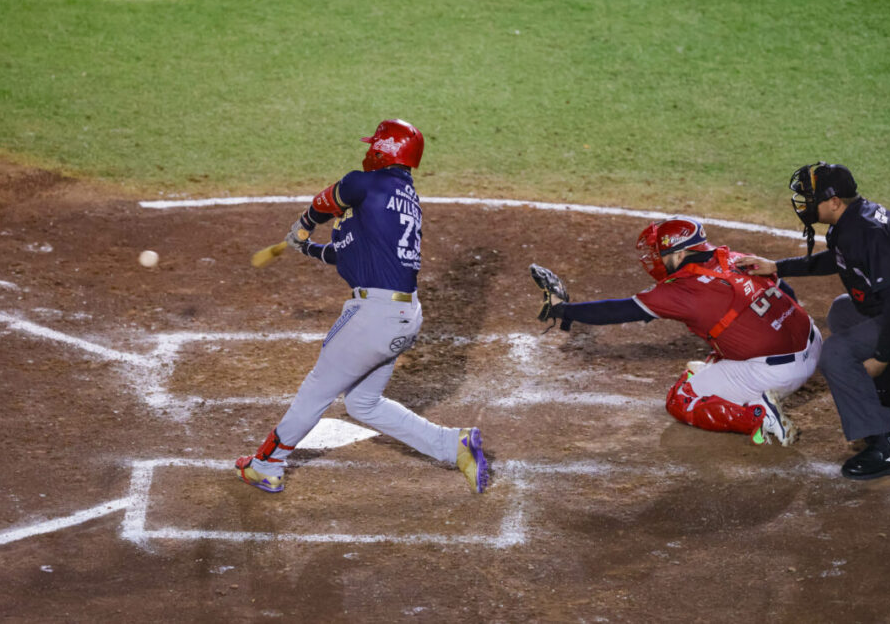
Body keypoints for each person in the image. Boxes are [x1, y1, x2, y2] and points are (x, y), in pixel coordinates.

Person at [235, 119, 489, 494]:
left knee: (318, 387)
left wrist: (305, 225)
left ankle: (266, 464)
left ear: (382, 150)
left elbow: (326, 200)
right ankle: (452, 445)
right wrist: (309, 249)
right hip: (402, 316)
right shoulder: (403, 198)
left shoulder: (363, 183)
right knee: (363, 403)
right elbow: (350, 254)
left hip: (374, 316)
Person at [741, 162, 890, 480]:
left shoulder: (865, 232)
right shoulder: (855, 219)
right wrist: (777, 267)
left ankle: (886, 448)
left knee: (837, 354)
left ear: (835, 201)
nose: (805, 203)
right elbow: (838, 258)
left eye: (811, 197)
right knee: (843, 311)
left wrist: (880, 358)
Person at [533, 216, 821, 446]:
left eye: (662, 253)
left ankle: (759, 416)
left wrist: (563, 309)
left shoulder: (682, 290)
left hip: (778, 372)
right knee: (724, 342)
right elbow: (787, 291)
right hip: (812, 342)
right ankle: (753, 380)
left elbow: (619, 310)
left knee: (681, 399)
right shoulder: (732, 257)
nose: (657, 259)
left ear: (682, 252)